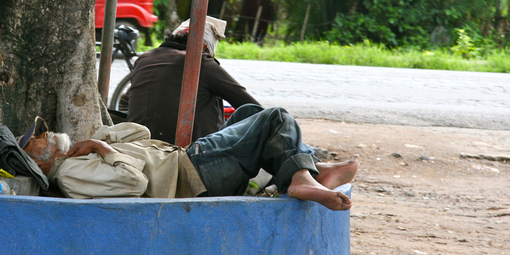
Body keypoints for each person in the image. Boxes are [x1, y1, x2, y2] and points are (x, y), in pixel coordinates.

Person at [22, 104, 359, 211]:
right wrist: (104, 150)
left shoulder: (77, 157)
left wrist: (100, 138)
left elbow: (139, 134)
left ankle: (308, 170)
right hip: (194, 175)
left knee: (246, 113)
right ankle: (302, 177)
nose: (44, 134)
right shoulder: (69, 175)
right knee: (275, 118)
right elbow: (135, 182)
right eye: (37, 139)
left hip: (190, 162)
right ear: (39, 162)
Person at [127, 16, 260, 144]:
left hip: (138, 143)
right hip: (189, 152)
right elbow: (250, 105)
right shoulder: (200, 61)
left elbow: (127, 98)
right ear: (203, 47)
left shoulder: (144, 58)